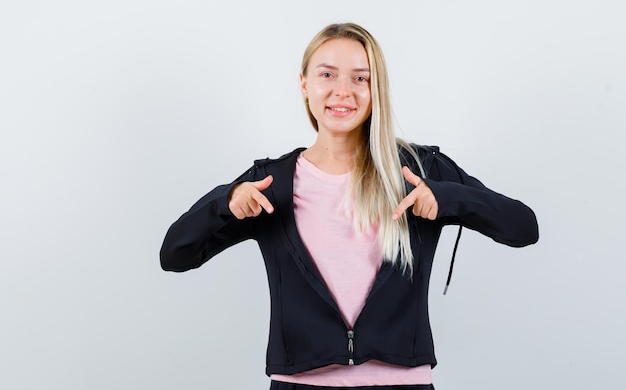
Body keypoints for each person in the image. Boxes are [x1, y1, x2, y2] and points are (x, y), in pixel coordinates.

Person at [159, 23, 539, 390]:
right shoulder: (269, 184)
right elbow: (175, 254)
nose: (344, 91)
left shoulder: (419, 171)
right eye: (328, 75)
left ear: (377, 90)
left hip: (402, 384)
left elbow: (523, 227)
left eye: (360, 78)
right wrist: (225, 202)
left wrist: (448, 198)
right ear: (305, 85)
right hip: (298, 385)